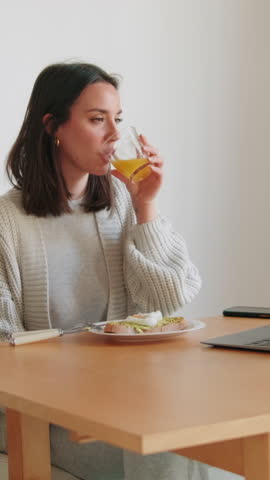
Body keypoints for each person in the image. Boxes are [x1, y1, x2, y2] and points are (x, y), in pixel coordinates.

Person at [0, 62, 207, 480]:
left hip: (121, 400)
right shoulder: (7, 221)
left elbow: (171, 299)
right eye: (98, 120)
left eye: (119, 119)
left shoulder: (124, 199)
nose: (115, 134)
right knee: (162, 455)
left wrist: (147, 206)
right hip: (40, 413)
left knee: (193, 437)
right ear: (53, 125)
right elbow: (5, 346)